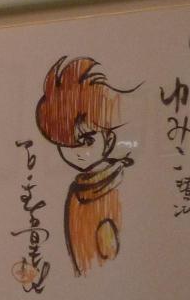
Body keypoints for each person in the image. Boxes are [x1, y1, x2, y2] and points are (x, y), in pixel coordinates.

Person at [35, 56, 136, 276]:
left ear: (109, 139)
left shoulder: (113, 190)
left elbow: (108, 261)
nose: (77, 152)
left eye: (88, 140)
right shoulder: (80, 189)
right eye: (66, 144)